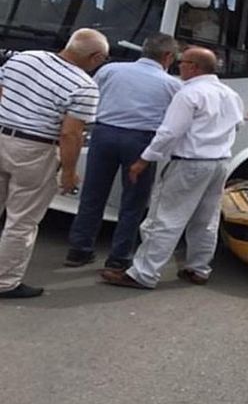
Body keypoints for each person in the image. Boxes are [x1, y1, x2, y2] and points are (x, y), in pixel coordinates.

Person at [100, 47, 244, 289]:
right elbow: (238, 125)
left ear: (194, 67)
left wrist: (144, 160)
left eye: (183, 62)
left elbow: (169, 132)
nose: (178, 66)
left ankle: (143, 274)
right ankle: (199, 268)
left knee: (163, 219)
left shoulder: (189, 93)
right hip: (219, 163)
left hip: (190, 163)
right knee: (206, 219)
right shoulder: (230, 94)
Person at [0, 28, 107, 298]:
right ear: (95, 57)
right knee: (21, 221)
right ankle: (5, 282)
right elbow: (70, 133)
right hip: (35, 150)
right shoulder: (84, 86)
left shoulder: (23, 58)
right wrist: (69, 173)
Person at [65, 33, 182, 270]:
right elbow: (173, 118)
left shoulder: (111, 70)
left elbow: (92, 97)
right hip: (141, 141)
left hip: (104, 134)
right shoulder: (172, 84)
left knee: (93, 195)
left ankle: (79, 249)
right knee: (133, 201)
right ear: (168, 56)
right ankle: (119, 257)